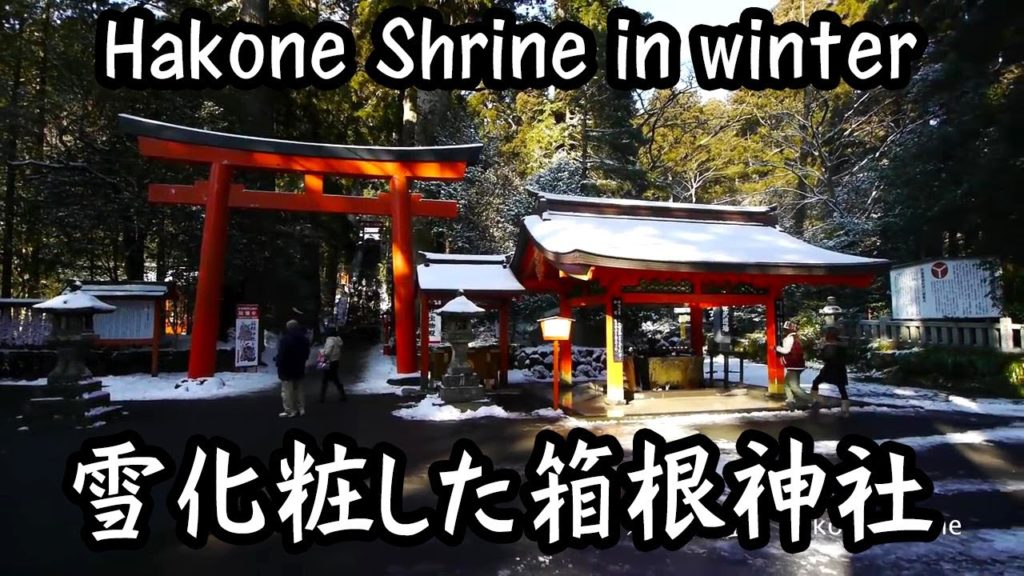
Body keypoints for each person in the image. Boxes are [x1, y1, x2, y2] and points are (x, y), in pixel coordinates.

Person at [812, 326, 851, 417]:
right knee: (841, 388)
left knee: (816, 382)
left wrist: (822, 349)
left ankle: (816, 400)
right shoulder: (841, 344)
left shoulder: (830, 345)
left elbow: (825, 357)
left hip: (830, 368)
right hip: (839, 368)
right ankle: (845, 408)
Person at [276, 319, 311, 418]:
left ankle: (290, 410)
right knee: (299, 389)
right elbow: (306, 354)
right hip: (299, 367)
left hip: (286, 369)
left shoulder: (285, 339)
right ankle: (301, 408)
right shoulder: (304, 339)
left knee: (287, 391)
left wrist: (278, 364)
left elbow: (282, 355)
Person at [775, 320, 812, 408]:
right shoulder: (796, 338)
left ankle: (811, 400)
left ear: (789, 330)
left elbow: (786, 350)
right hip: (798, 365)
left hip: (793, 365)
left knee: (794, 386)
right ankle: (790, 400)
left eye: (785, 329)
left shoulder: (789, 338)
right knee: (787, 384)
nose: (784, 330)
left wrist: (777, 348)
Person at [320, 327, 346, 402]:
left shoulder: (330, 340)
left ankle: (322, 397)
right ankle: (342, 394)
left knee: (325, 380)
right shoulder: (338, 340)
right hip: (336, 361)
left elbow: (327, 352)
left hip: (329, 361)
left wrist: (322, 353)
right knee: (335, 379)